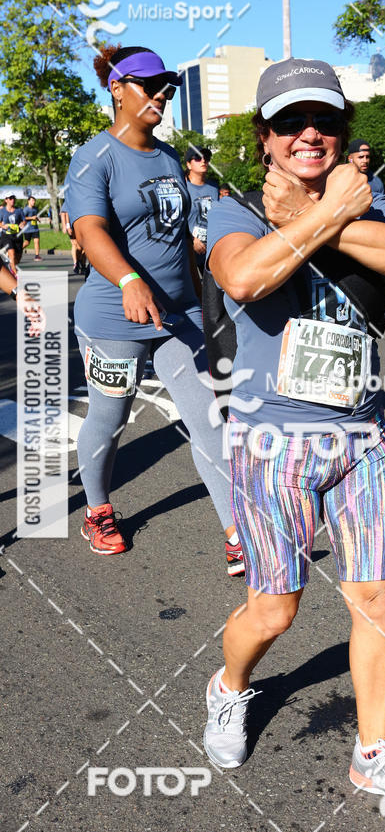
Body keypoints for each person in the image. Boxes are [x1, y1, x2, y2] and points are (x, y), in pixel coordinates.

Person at [202, 58, 385, 822]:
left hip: (361, 437)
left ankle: (374, 754)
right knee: (275, 609)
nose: (311, 134)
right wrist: (328, 217)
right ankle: (229, 689)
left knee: (377, 599)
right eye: (290, 123)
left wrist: (324, 215)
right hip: (272, 443)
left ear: (343, 132)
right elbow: (245, 280)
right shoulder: (236, 208)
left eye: (327, 122)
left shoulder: (373, 199)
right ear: (265, 138)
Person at [64, 43, 242, 570]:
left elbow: (177, 233)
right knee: (111, 418)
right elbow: (89, 228)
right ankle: (97, 510)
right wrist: (127, 279)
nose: (161, 95)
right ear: (117, 89)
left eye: (167, 86)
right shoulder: (92, 156)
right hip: (114, 315)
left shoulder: (168, 157)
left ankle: (237, 532)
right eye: (149, 84)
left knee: (209, 419)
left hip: (179, 317)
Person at [185, 146, 219, 263]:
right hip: (189, 253)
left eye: (207, 158)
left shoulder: (214, 187)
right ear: (188, 165)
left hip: (212, 250)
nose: (203, 160)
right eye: (198, 158)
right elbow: (177, 220)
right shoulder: (183, 187)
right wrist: (192, 240)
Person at [60, 202, 88, 275]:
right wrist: (66, 226)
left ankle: (82, 264)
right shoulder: (70, 197)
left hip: (82, 224)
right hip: (72, 226)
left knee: (84, 246)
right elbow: (64, 213)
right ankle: (76, 263)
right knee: (75, 244)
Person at [0, 195, 25, 275]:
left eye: (13, 198)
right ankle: (15, 275)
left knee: (17, 258)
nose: (12, 200)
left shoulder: (19, 210)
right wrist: (3, 226)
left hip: (18, 236)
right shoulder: (2, 211)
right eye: (10, 198)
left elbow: (24, 220)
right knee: (12, 254)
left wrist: (22, 224)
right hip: (6, 235)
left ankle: (12, 266)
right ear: (6, 200)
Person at [22, 195, 42, 260]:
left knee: (37, 241)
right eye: (32, 200)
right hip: (27, 229)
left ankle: (37, 255)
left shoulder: (35, 209)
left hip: (35, 228)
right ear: (28, 201)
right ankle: (18, 250)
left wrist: (37, 219)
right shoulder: (26, 209)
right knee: (27, 242)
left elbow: (35, 216)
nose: (34, 202)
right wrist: (31, 218)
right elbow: (23, 218)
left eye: (34, 201)